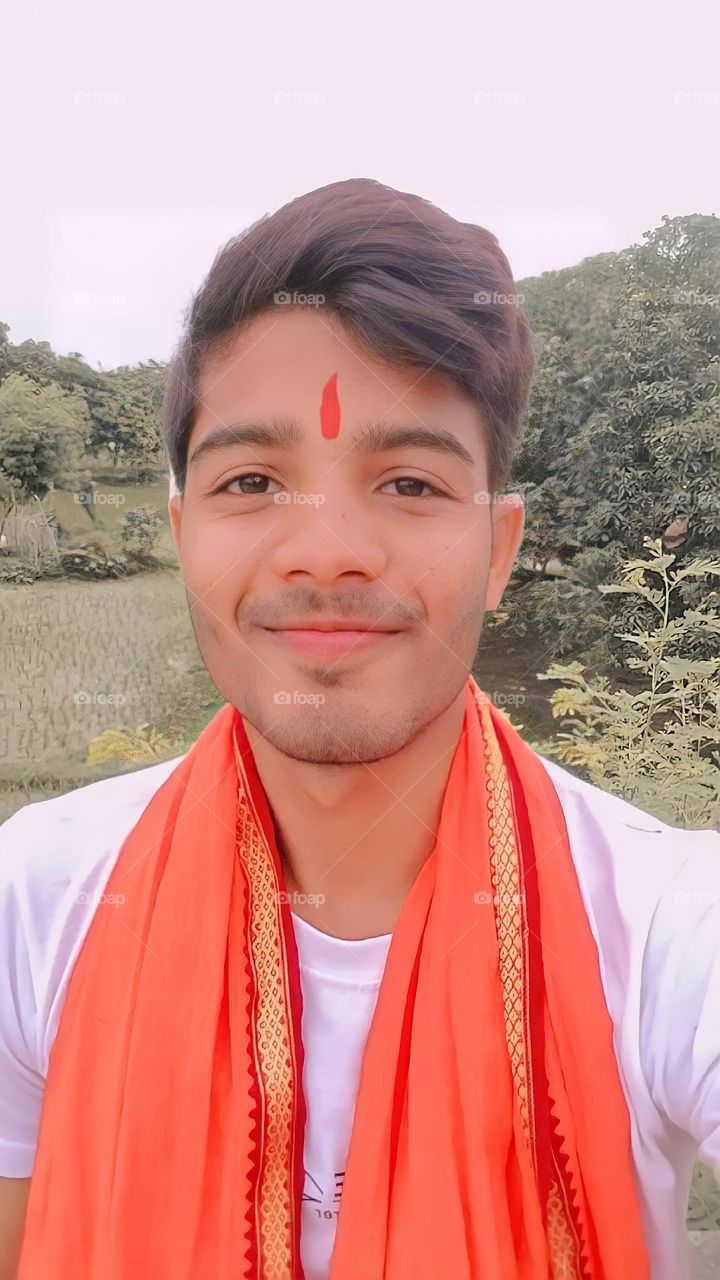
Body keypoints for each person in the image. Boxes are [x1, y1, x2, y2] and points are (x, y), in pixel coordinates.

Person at [1, 178, 718, 1280]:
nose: (327, 549)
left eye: (410, 482)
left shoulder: (665, 921)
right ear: (186, 536)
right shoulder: (39, 900)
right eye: (254, 480)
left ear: (498, 550)